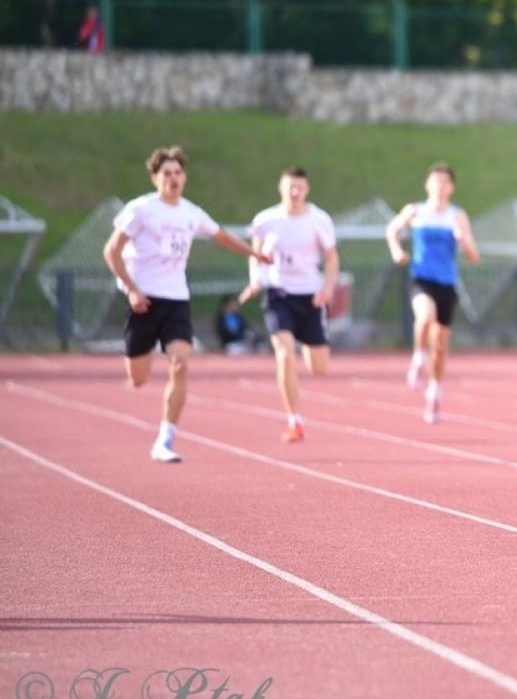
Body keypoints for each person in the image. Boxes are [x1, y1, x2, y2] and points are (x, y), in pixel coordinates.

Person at [101, 146, 271, 463]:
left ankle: (165, 438)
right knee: (138, 378)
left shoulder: (191, 212)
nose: (173, 178)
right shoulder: (140, 210)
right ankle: (146, 351)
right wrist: (132, 289)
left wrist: (254, 253)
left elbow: (220, 236)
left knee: (180, 363)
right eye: (166, 173)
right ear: (155, 178)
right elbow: (111, 251)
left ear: (185, 177)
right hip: (143, 300)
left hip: (177, 299)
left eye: (178, 173)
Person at [238, 166, 340, 443]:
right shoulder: (265, 220)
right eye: (290, 187)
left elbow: (331, 258)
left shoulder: (319, 219)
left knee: (319, 368)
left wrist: (328, 289)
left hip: (310, 295)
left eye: (300, 188)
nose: (295, 193)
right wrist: (256, 281)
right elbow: (255, 254)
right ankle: (294, 420)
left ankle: (308, 343)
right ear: (280, 189)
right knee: (284, 354)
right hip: (278, 293)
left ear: (307, 190)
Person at [386, 163, 480, 423]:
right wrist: (396, 250)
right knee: (425, 317)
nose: (440, 186)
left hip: (447, 284)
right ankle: (418, 357)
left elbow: (474, 256)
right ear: (427, 184)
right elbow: (392, 230)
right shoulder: (415, 211)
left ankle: (434, 392)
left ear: (451, 187)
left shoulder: (457, 216)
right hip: (421, 279)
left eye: (445, 182)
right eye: (436, 181)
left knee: (440, 344)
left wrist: (463, 240)